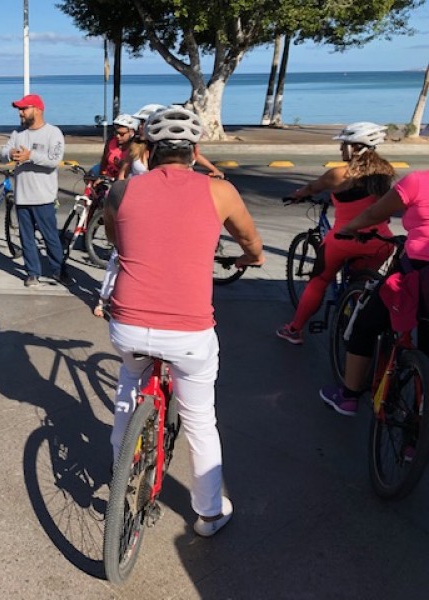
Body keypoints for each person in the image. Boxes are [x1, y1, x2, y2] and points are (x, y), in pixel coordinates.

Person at [103, 107, 265, 536]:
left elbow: (116, 239)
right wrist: (250, 258)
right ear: (194, 151)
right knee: (199, 419)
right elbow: (251, 242)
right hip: (189, 331)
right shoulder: (220, 191)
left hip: (128, 324)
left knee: (128, 388)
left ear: (151, 152)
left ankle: (119, 472)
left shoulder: (121, 192)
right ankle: (209, 513)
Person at [319, 165, 429, 416]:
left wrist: (349, 228)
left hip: (418, 272)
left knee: (366, 323)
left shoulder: (418, 182)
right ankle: (415, 442)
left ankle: (349, 396)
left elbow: (373, 213)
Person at [276, 122, 395, 345]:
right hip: (381, 241)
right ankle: (354, 311)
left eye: (344, 145)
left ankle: (294, 330)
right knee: (363, 280)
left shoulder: (339, 174)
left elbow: (312, 188)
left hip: (345, 240)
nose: (341, 150)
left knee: (319, 280)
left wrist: (298, 195)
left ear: (355, 147)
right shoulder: (385, 172)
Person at [0, 93, 69, 287]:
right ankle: (32, 272)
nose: (20, 113)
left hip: (44, 198)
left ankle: (59, 270)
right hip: (22, 197)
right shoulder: (18, 134)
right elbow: (2, 153)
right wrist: (10, 153)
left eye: (24, 109)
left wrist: (31, 155)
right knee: (26, 238)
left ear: (37, 110)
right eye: (19, 110)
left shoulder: (53, 133)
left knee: (51, 238)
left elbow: (53, 160)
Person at [121, 103, 225, 180]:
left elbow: (198, 158)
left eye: (143, 122)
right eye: (140, 123)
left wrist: (214, 169)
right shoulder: (134, 147)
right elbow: (123, 173)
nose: (140, 127)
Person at [99, 114, 139, 179]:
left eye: (122, 134)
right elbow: (104, 162)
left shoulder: (136, 146)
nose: (118, 136)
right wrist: (101, 176)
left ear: (131, 132)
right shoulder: (111, 141)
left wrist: (121, 165)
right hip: (108, 176)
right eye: (116, 133)